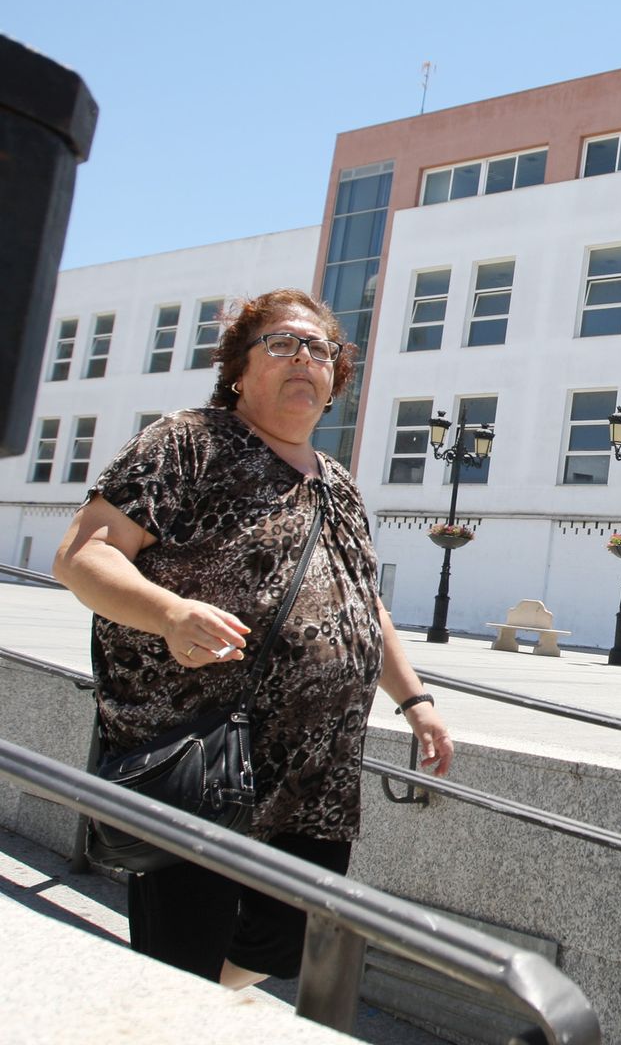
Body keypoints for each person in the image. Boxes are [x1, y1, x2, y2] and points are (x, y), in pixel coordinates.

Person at [53, 288, 453, 988]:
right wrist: (169, 614)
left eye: (320, 349)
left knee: (288, 942)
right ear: (238, 369)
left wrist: (415, 700)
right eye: (281, 343)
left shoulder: (337, 483)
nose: (304, 357)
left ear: (336, 380)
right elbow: (83, 555)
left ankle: (196, 1012)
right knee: (179, 964)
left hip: (313, 777)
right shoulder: (188, 442)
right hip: (200, 755)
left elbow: (362, 601)